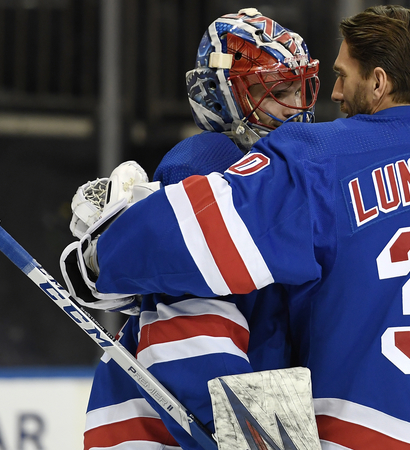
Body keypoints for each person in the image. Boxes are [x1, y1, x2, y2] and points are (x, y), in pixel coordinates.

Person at [88, 5, 410, 449]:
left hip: (374, 433)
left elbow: (191, 241)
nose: (331, 94)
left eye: (340, 75)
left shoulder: (320, 155)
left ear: (378, 82)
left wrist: (99, 255)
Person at [73, 9, 319, 450]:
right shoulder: (205, 166)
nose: (296, 105)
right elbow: (190, 338)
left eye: (299, 87)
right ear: (226, 97)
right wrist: (260, 438)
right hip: (162, 435)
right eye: (278, 90)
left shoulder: (278, 173)